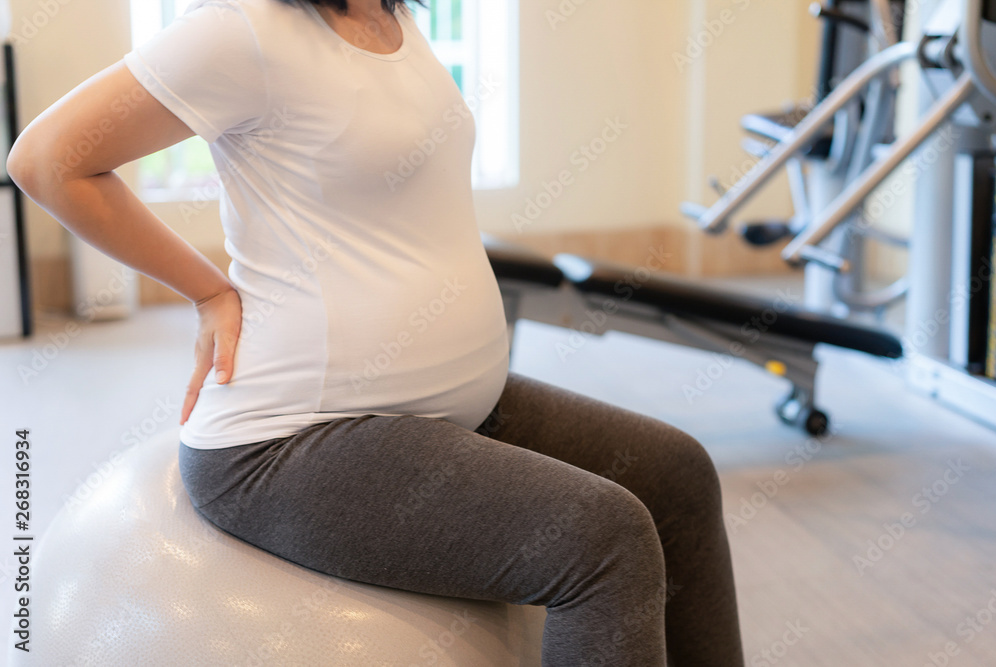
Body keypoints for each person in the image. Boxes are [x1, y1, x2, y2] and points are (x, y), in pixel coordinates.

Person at [7, 0, 744, 664]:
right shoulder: (241, 31)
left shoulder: (394, 17)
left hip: (437, 407)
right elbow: (47, 160)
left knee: (675, 472)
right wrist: (206, 290)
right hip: (295, 438)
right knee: (600, 540)